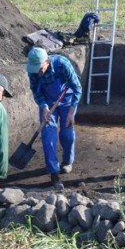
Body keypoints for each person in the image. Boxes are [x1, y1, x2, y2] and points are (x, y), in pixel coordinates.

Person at [26, 47, 82, 190]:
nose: (37, 72)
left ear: (46, 61)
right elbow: (35, 90)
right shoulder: (33, 71)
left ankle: (67, 161)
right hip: (47, 103)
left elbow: (77, 88)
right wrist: (43, 106)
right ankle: (54, 172)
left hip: (67, 101)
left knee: (67, 135)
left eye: (40, 68)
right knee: (48, 137)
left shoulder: (62, 64)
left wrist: (71, 112)